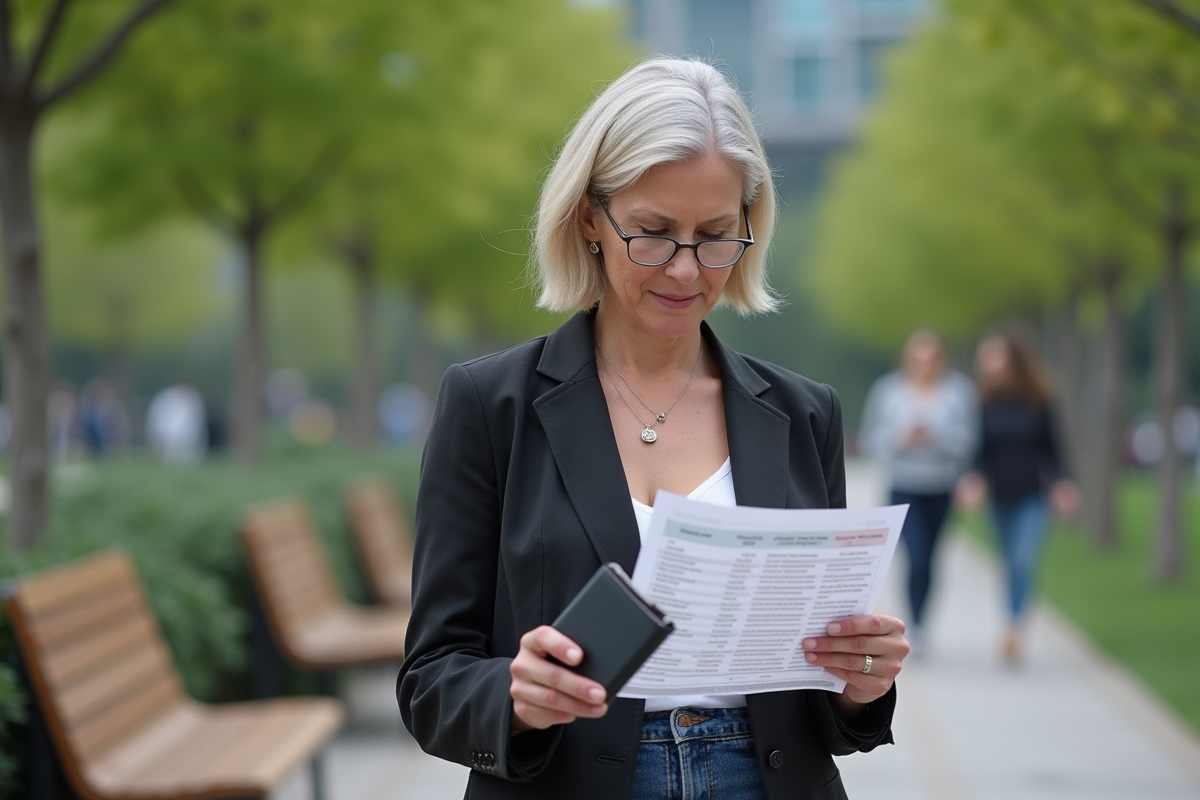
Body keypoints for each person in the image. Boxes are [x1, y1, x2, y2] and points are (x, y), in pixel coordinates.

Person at [397, 58, 909, 800]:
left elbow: (821, 708)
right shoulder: (489, 405)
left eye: (715, 236)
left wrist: (859, 684)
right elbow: (430, 679)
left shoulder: (803, 414)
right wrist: (515, 696)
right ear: (588, 220)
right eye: (653, 233)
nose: (685, 271)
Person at [956, 326, 1078, 665]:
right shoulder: (985, 401)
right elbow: (980, 452)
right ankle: (1012, 619)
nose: (988, 363)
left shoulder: (1039, 398)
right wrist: (973, 480)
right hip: (999, 497)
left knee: (1023, 559)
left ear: (1014, 359)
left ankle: (1014, 627)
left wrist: (1064, 483)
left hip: (1033, 496)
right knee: (1010, 564)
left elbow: (1053, 449)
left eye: (994, 355)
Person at [859, 330, 977, 653]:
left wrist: (937, 436)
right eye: (918, 359)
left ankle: (923, 620)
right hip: (904, 487)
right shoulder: (888, 391)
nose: (925, 365)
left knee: (931, 559)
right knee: (916, 554)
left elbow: (970, 442)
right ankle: (914, 623)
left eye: (931, 359)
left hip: (941, 487)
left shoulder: (958, 392)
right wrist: (900, 437)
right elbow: (871, 441)